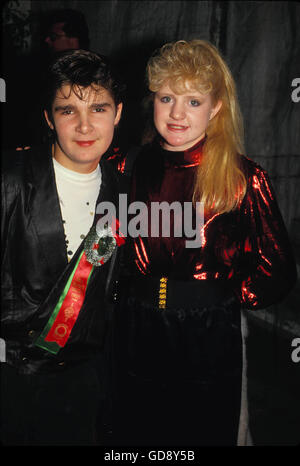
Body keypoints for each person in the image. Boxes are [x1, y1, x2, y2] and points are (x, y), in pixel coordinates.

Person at [111, 39, 297, 446]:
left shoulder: (242, 177)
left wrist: (221, 297)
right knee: (137, 433)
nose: (177, 113)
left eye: (193, 101)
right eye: (166, 97)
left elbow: (277, 267)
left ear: (215, 108)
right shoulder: (127, 164)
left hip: (209, 331)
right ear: (152, 100)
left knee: (205, 431)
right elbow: (100, 243)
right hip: (136, 324)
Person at [1, 49, 124, 445]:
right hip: (10, 380)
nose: (85, 125)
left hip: (80, 386)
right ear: (48, 118)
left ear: (118, 114)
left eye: (99, 109)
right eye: (68, 110)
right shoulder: (11, 179)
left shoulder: (123, 194)